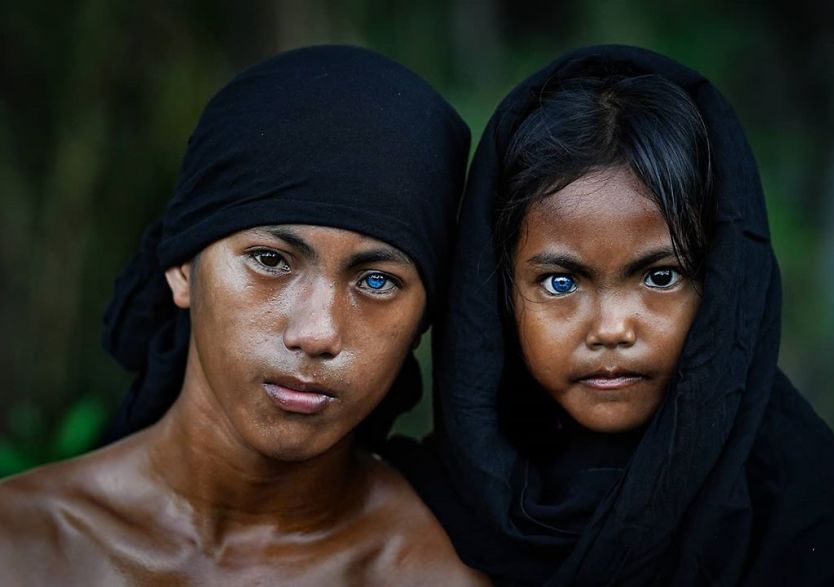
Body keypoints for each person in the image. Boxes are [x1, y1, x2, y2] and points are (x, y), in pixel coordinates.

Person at [389, 45, 834, 585]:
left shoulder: (796, 502)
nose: (612, 329)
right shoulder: (419, 508)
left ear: (720, 285)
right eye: (560, 282)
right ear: (499, 293)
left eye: (660, 277)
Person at [0, 45, 489, 586]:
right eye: (271, 260)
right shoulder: (19, 545)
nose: (317, 333)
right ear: (183, 266)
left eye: (377, 281)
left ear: (424, 316)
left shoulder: (436, 573)